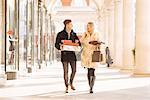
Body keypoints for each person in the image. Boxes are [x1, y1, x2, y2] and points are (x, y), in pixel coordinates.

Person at [55, 19, 81, 93]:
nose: (72, 26)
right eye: (70, 24)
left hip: (72, 55)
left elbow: (79, 44)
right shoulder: (60, 34)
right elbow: (56, 44)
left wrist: (77, 43)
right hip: (65, 54)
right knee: (65, 71)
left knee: (74, 70)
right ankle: (66, 86)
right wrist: (60, 47)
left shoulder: (74, 34)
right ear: (67, 25)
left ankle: (71, 82)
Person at [80, 22, 100, 93]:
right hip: (86, 54)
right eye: (87, 27)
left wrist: (97, 43)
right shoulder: (85, 34)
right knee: (89, 71)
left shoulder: (96, 33)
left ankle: (92, 87)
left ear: (93, 27)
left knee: (93, 70)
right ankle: (90, 86)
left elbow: (100, 42)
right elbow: (81, 42)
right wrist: (84, 36)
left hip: (94, 53)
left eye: (90, 27)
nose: (88, 28)